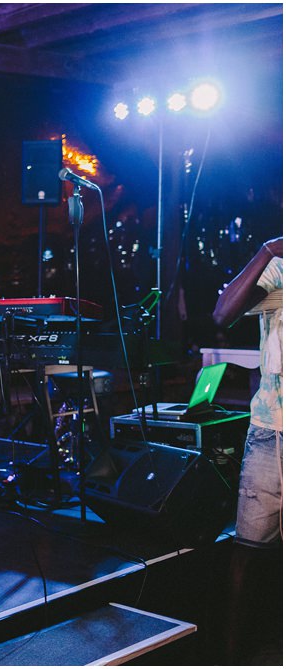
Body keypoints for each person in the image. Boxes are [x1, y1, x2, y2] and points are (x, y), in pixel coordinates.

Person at [212, 236, 282, 663]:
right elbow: (223, 313)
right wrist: (268, 250)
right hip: (271, 430)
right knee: (248, 551)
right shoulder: (278, 268)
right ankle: (231, 655)